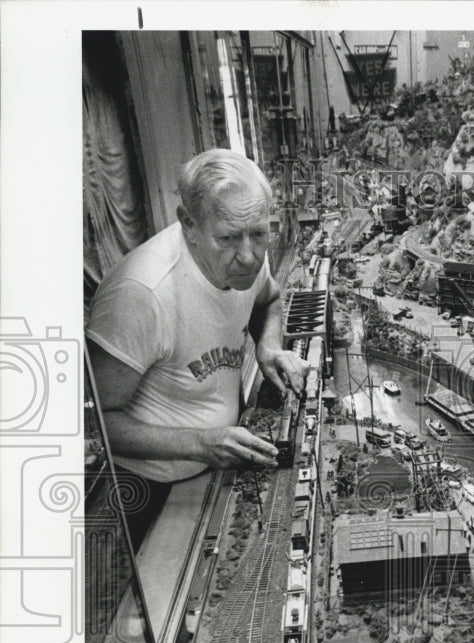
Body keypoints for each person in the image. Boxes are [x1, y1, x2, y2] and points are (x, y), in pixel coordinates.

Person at [86, 148, 308, 548]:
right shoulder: (141, 295)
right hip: (152, 488)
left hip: (220, 459)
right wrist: (200, 443)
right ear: (188, 223)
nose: (249, 257)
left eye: (259, 233)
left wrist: (269, 348)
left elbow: (269, 299)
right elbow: (97, 422)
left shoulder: (244, 249)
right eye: (227, 238)